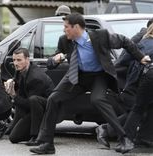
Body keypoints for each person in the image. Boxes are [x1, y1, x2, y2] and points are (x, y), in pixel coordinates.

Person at [29, 13, 150, 155]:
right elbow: (50, 64)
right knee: (53, 99)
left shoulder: (100, 37)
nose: (64, 30)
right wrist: (55, 60)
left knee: (97, 99)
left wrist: (141, 57)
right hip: (78, 76)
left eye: (66, 27)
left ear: (76, 27)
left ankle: (124, 138)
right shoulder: (65, 41)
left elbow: (124, 41)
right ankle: (47, 143)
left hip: (99, 76)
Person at [95, 17, 153, 148]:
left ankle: (143, 138)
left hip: (140, 81)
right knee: (138, 110)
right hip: (129, 82)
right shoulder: (142, 39)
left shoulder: (143, 38)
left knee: (145, 108)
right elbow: (122, 61)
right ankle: (107, 129)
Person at [4, 48, 54, 145]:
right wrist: (11, 81)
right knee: (13, 138)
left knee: (33, 99)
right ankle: (15, 126)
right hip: (34, 108)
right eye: (14, 60)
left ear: (27, 59)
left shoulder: (35, 78)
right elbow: (19, 84)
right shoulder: (20, 69)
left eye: (19, 60)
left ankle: (37, 136)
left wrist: (13, 95)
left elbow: (29, 104)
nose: (15, 63)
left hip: (48, 110)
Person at [116, 24, 153, 152]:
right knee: (141, 108)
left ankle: (131, 140)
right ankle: (140, 139)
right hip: (148, 77)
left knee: (140, 108)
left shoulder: (143, 42)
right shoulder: (145, 42)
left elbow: (123, 60)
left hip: (145, 78)